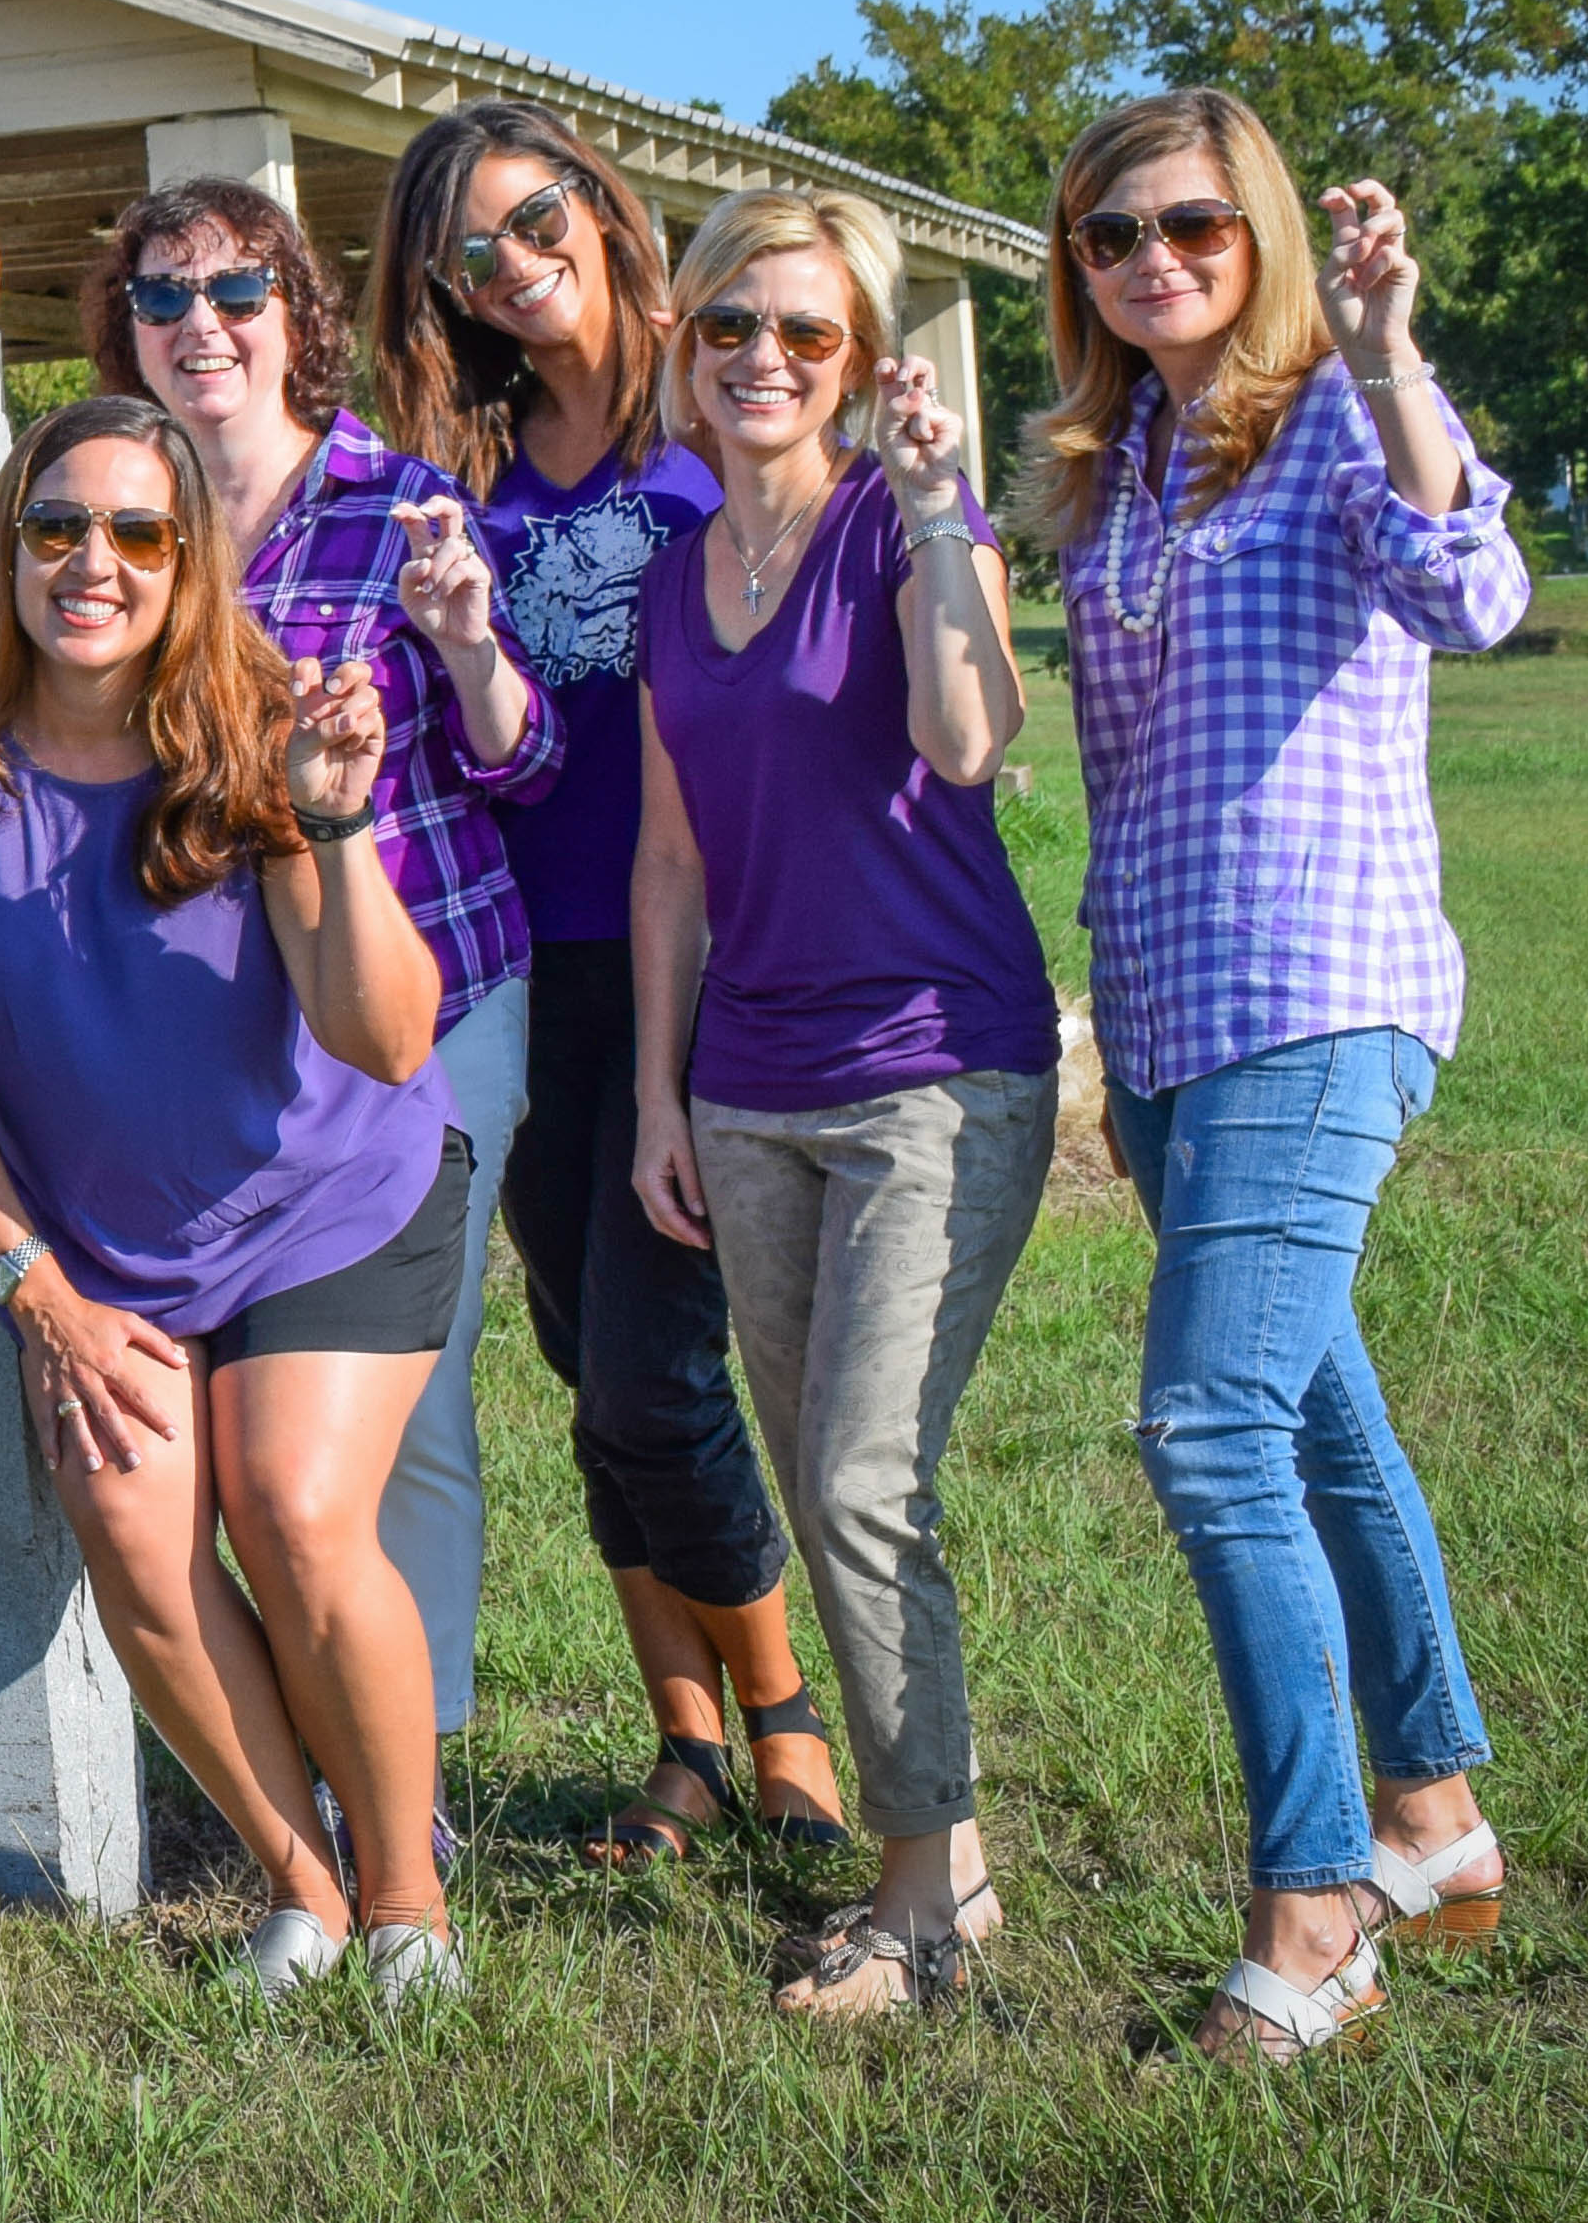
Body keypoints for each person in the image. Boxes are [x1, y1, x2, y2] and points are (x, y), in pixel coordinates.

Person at [0, 397, 470, 2006]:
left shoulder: (256, 725)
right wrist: (36, 1294)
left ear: (187, 562)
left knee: (294, 1506)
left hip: (335, 1193)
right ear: (9, 543)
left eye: (138, 532)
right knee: (134, 1533)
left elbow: (386, 1033)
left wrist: (327, 821)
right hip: (102, 1245)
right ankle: (305, 1888)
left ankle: (411, 1904)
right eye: (58, 525)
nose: (93, 562)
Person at [1038, 87, 1523, 2063]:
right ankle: (1434, 1821)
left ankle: (1317, 1902)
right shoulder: (1110, 456)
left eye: (1186, 226)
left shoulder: (1338, 405)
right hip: (1158, 1012)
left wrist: (1396, 354)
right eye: (1103, 234)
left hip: (1316, 990)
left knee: (1207, 1426)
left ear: (1259, 237)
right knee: (1318, 1428)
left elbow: (1469, 593)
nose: (1147, 258)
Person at [375, 101, 838, 1865]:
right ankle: (685, 1739)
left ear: (597, 203)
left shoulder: (726, 407)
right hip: (508, 961)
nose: (509, 262)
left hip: (703, 961)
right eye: (467, 251)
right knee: (587, 1368)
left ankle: (786, 1712)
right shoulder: (463, 467)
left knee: (656, 1371)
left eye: (530, 214)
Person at [629, 185, 1058, 2020]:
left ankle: (916, 1907)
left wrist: (948, 504)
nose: (764, 361)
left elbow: (970, 739)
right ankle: (940, 1834)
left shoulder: (905, 524)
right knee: (827, 1486)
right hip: (747, 1083)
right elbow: (667, 859)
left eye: (807, 335)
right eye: (732, 325)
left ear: (865, 361)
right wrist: (656, 1088)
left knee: (863, 1479)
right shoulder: (672, 561)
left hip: (934, 1068)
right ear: (688, 343)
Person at [82, 176, 554, 1771]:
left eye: (231, 292)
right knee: (231, 1411)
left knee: (399, 1401)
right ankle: (269, 1733)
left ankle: (404, 1755)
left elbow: (523, 762)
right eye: (160, 297)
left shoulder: (398, 507)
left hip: (421, 1009)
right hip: (211, 1029)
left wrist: (470, 642)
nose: (196, 325)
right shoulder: (114, 518)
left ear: (296, 318)